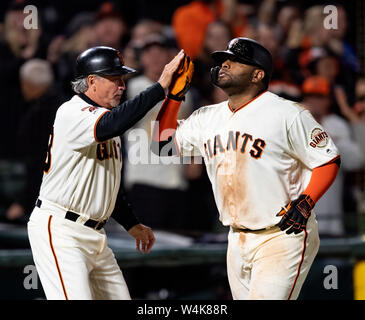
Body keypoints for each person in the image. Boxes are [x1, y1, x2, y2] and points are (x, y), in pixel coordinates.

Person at [152, 37, 340, 300]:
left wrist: (307, 201)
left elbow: (327, 159)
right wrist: (173, 96)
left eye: (234, 61)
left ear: (257, 74)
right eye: (222, 61)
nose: (224, 65)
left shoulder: (286, 113)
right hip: (237, 238)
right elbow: (162, 146)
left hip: (282, 235)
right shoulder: (207, 117)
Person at [27, 46, 185, 300]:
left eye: (122, 79)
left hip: (95, 235)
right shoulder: (72, 111)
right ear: (91, 82)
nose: (122, 86)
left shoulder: (109, 126)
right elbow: (112, 124)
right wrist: (161, 86)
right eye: (115, 79)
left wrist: (132, 224)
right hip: (62, 230)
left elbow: (109, 187)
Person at [301, 76, 363, 237]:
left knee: (333, 262)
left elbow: (357, 160)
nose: (315, 102)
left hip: (331, 222)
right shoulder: (294, 124)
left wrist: (329, 142)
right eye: (311, 97)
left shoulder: (337, 124)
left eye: (320, 97)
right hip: (298, 226)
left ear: (328, 100)